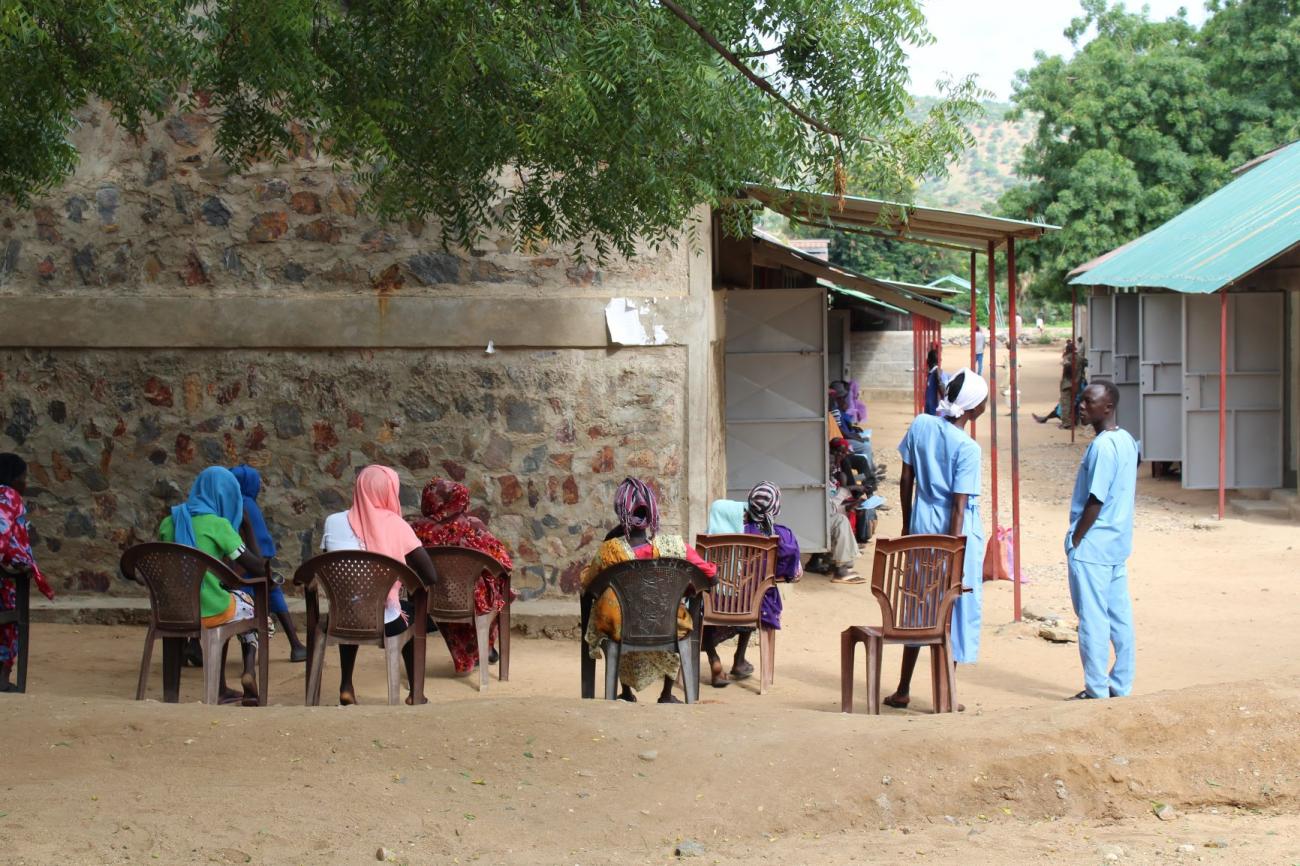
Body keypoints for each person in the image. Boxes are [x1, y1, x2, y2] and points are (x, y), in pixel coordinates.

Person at [884, 369, 989, 710]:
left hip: (920, 523)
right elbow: (958, 509)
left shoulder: (921, 425)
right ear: (974, 408)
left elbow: (905, 477)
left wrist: (906, 525)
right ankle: (945, 693)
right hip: (953, 534)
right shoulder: (968, 449)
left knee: (919, 605)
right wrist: (954, 554)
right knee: (951, 609)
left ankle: (903, 688)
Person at [581, 478, 717, 703]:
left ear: (620, 512)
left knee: (616, 610)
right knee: (674, 612)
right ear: (652, 513)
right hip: (668, 627)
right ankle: (666, 694)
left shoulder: (608, 552)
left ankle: (624, 692)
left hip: (623, 630)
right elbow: (710, 576)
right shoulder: (675, 548)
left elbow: (588, 583)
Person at [320, 465, 439, 705]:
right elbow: (430, 575)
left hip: (341, 617)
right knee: (414, 613)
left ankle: (346, 685)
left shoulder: (333, 522)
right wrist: (401, 582)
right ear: (390, 491)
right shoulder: (397, 525)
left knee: (354, 604)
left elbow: (331, 564)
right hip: (386, 621)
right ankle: (416, 692)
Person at [158, 466, 269, 705]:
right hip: (211, 612)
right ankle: (241, 674)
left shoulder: (170, 521)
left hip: (172, 612)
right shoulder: (219, 526)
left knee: (227, 603)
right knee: (252, 609)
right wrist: (248, 527)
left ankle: (170, 694)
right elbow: (258, 568)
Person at [1065, 381, 1139, 701]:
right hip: (1117, 544)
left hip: (1093, 547)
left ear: (1107, 407)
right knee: (1119, 618)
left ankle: (1097, 688)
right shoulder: (1126, 441)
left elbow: (1095, 499)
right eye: (1081, 400)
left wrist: (1076, 538)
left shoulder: (1103, 446)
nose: (1081, 406)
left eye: (1088, 401)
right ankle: (1120, 685)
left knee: (1093, 620)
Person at [408, 477, 514, 676]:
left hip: (431, 596)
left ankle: (471, 654)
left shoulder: (415, 529)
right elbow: (504, 563)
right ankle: (485, 648)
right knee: (499, 590)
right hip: (471, 599)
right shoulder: (472, 526)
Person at [702, 482, 801, 688]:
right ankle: (739, 659)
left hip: (716, 602)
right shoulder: (780, 536)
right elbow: (791, 573)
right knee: (757, 591)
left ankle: (715, 660)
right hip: (753, 606)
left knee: (703, 600)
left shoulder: (718, 533)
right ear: (775, 507)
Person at [228, 465, 306, 662]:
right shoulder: (247, 505)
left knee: (263, 598)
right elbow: (262, 544)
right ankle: (294, 645)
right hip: (250, 566)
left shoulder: (229, 504)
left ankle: (294, 645)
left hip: (232, 567)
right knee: (269, 595)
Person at [0, 454, 56, 692]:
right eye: (22, 478)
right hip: (5, 577)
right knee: (10, 626)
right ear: (12, 479)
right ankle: (2, 678)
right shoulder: (8, 497)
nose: (25, 483)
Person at [1033, 341, 1085, 427]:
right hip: (1077, 384)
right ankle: (1064, 421)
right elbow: (1085, 364)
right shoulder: (1080, 358)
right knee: (1068, 404)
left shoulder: (1068, 357)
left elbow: (1067, 366)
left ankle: (1066, 423)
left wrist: (1067, 366)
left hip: (1068, 384)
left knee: (1065, 405)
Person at [923, 348, 944, 416]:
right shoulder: (932, 373)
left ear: (928, 361)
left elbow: (943, 391)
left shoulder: (937, 373)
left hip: (934, 410)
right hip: (930, 408)